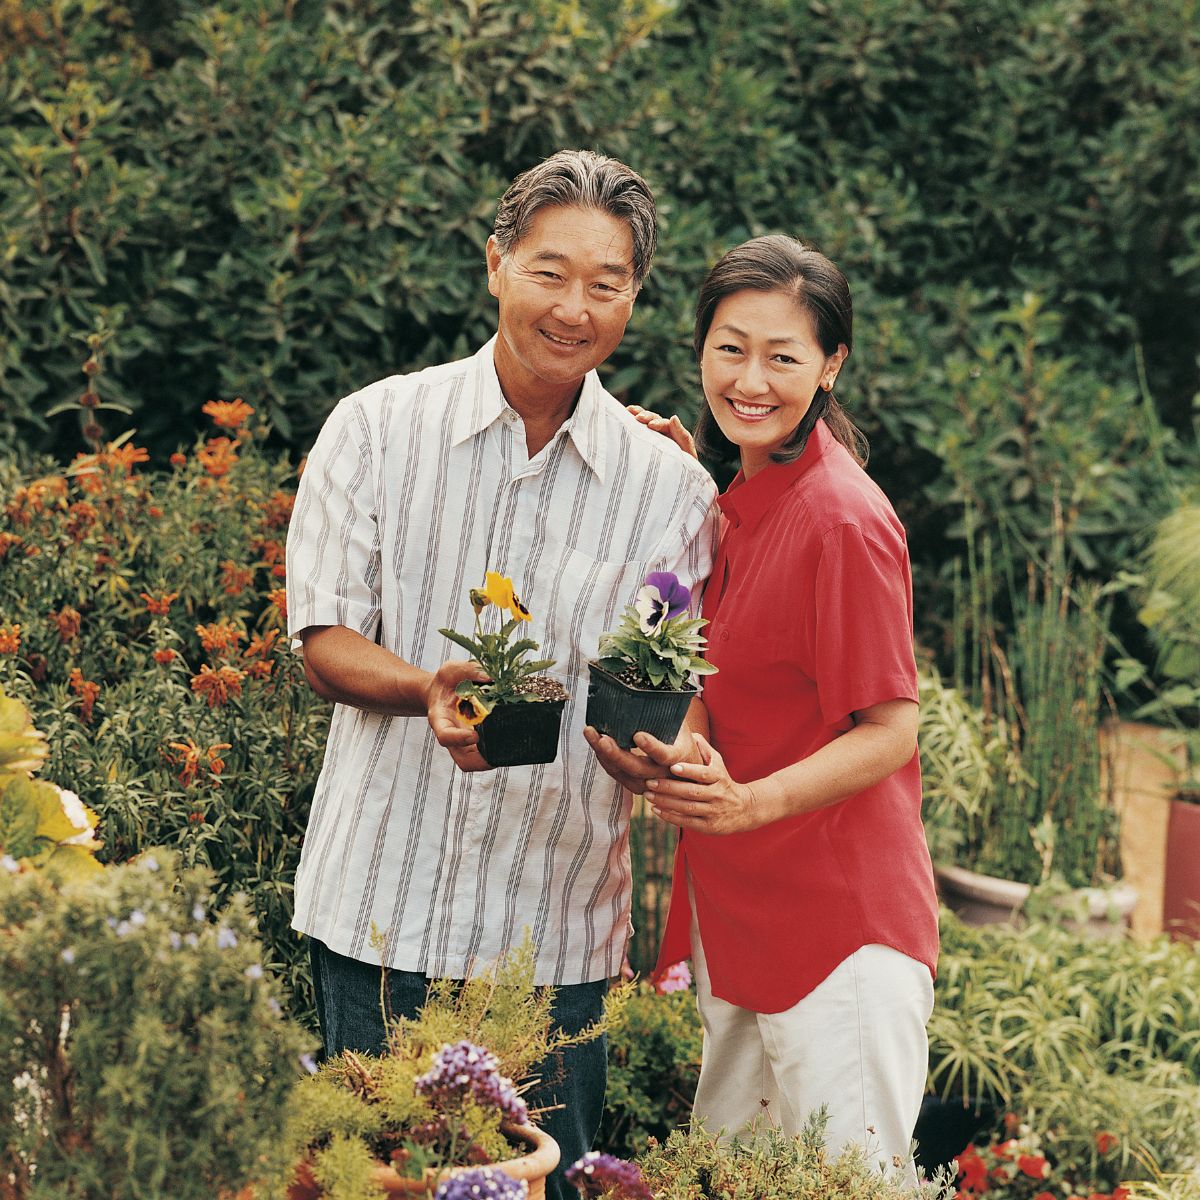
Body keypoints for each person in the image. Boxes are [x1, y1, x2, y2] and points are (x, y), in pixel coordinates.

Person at [285, 150, 718, 1198]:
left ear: (634, 297)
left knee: (542, 1188)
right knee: (373, 1183)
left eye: (606, 284)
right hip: (381, 911)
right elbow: (322, 636)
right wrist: (427, 687)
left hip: (554, 935)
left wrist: (676, 752)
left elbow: (667, 675)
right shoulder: (379, 429)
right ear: (495, 265)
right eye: (549, 271)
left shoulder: (669, 488)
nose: (575, 308)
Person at [585, 235, 938, 1177]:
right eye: (730, 348)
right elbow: (719, 689)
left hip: (837, 934)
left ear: (831, 366)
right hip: (739, 921)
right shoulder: (740, 499)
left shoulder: (842, 520)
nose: (752, 378)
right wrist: (683, 754)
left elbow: (893, 728)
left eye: (784, 356)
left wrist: (749, 802)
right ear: (699, 349)